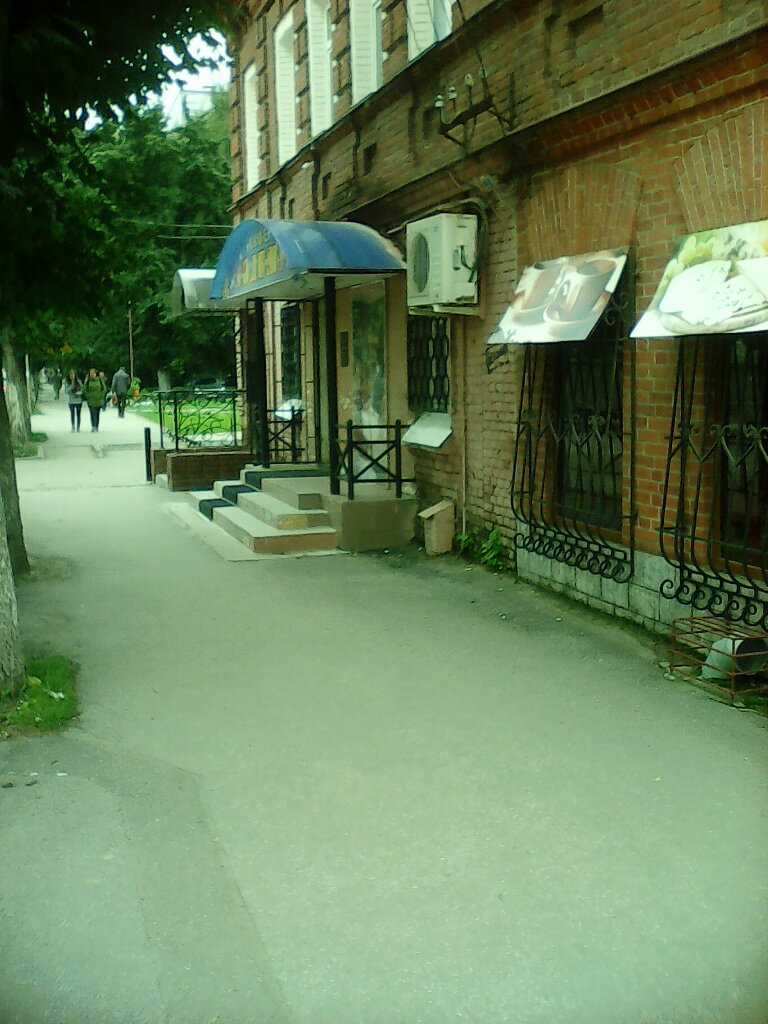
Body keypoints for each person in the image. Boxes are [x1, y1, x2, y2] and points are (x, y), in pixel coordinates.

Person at [83, 367, 106, 432]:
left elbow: (104, 388)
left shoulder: (99, 380)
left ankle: (96, 426)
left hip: (98, 400)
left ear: (96, 374)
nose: (92, 374)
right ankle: (93, 426)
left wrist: (101, 395)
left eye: (93, 373)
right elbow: (84, 389)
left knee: (97, 413)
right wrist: (87, 396)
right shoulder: (88, 380)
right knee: (92, 413)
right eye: (91, 373)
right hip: (91, 400)